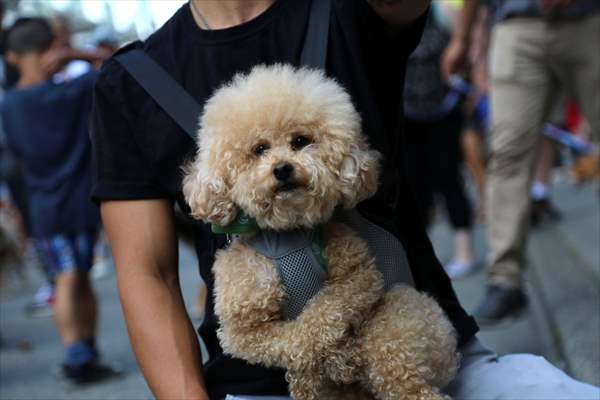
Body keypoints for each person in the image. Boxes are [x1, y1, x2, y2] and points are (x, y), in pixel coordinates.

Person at [92, 1, 599, 399]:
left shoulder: (351, 11)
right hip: (261, 385)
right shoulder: (130, 81)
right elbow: (147, 273)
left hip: (425, 355)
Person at [443, 0, 600, 324]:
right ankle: (505, 280)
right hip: (517, 23)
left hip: (589, 16)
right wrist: (464, 38)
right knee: (507, 152)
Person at [0, 17, 115, 383]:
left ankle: (79, 355)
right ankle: (83, 355)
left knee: (65, 277)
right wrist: (73, 53)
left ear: (14, 57)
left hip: (42, 207)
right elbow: (116, 61)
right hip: (82, 201)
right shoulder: (74, 91)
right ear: (52, 48)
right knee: (77, 277)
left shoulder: (10, 105)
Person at [402, 2, 478, 279]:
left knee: (449, 176)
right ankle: (425, 257)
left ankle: (464, 249)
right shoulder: (383, 17)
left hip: (443, 109)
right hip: (406, 115)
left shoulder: (442, 12)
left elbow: (465, 53)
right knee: (416, 187)